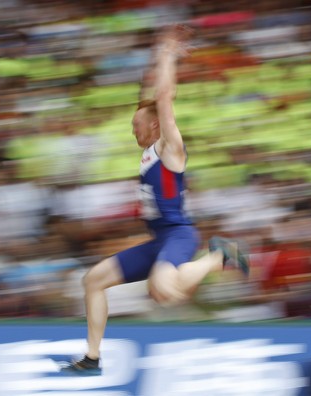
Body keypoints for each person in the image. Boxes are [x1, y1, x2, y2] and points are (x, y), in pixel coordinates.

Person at [61, 25, 249, 375]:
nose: (133, 131)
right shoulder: (150, 153)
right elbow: (151, 99)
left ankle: (218, 255)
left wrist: (166, 54)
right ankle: (92, 357)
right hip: (159, 240)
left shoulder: (169, 149)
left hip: (179, 234)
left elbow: (164, 97)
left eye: (137, 125)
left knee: (162, 291)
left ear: (155, 128)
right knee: (93, 279)